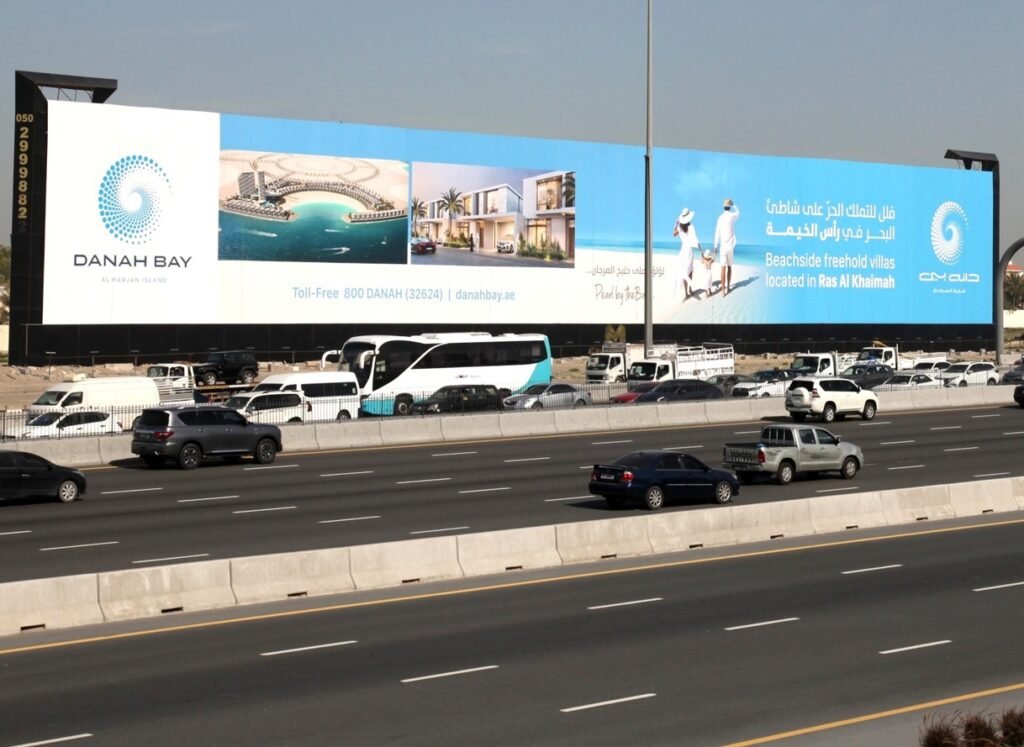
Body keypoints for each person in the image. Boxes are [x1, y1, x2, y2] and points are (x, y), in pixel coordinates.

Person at [714, 198, 740, 295]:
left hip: (723, 246)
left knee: (722, 268)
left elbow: (717, 232)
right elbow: (738, 212)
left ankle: (723, 290)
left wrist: (715, 246)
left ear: (723, 207)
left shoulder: (720, 218)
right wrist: (734, 205)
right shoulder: (732, 216)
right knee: (729, 267)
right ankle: (728, 287)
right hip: (730, 246)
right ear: (729, 207)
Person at [673, 208, 699, 299]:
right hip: (689, 250)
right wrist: (701, 249)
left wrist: (676, 224)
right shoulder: (691, 227)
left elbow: (674, 234)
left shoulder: (680, 227)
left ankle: (686, 293)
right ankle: (690, 289)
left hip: (683, 250)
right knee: (691, 270)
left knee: (684, 271)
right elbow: (695, 240)